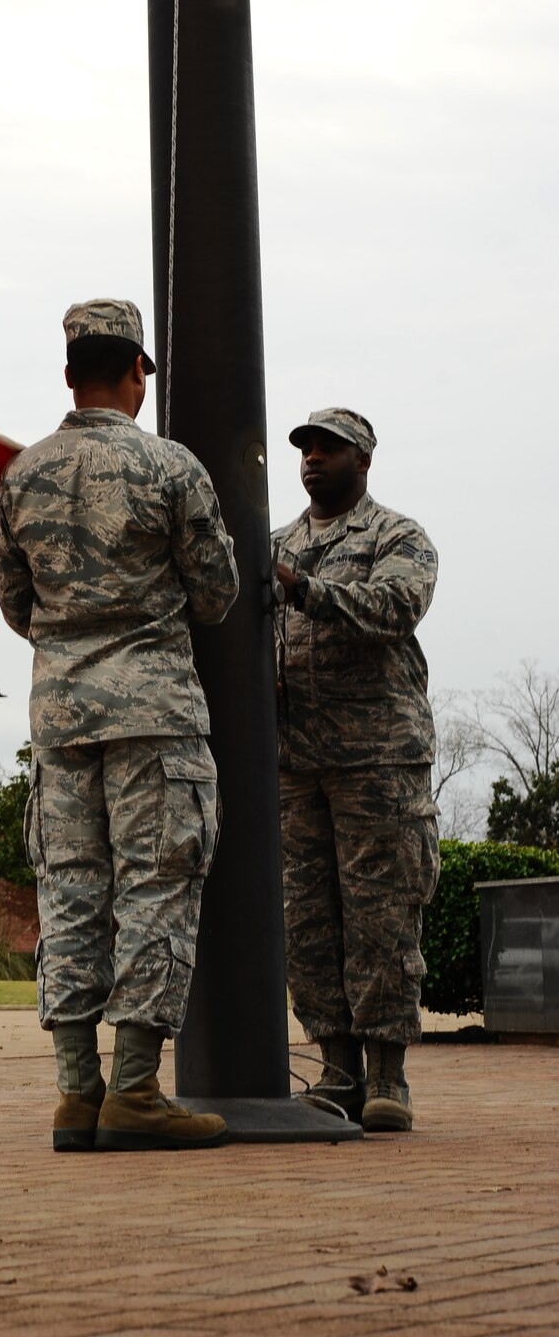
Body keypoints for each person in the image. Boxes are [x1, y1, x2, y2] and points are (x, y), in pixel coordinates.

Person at [0, 300, 240, 1153]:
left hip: (59, 722)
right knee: (154, 891)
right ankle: (134, 1090)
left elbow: (15, 606)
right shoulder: (171, 468)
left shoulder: (20, 476)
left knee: (68, 895)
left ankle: (74, 1094)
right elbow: (215, 595)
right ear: (138, 372)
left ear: (68, 374)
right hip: (153, 716)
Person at [273, 408, 439, 1135]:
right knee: (307, 923)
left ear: (362, 460)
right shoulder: (274, 543)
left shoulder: (394, 536)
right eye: (305, 448)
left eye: (327, 449)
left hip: (376, 760)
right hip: (293, 764)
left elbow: (396, 606)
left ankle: (387, 1078)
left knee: (381, 920)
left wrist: (305, 589)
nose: (311, 458)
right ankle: (335, 1072)